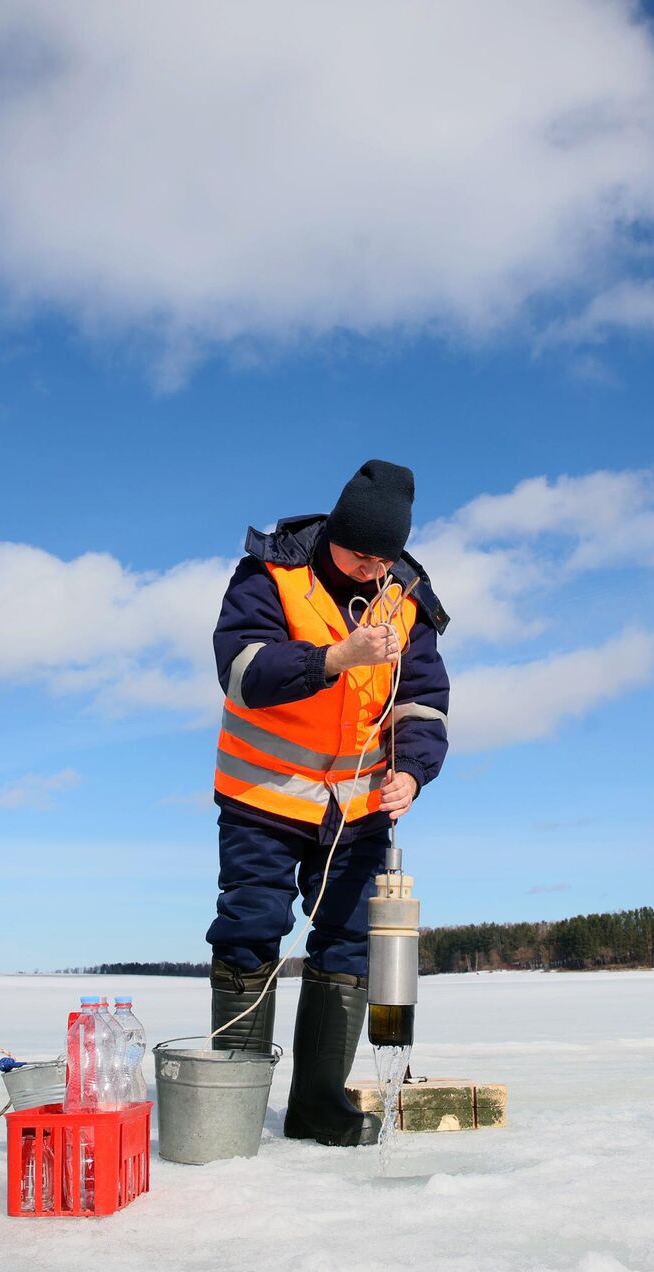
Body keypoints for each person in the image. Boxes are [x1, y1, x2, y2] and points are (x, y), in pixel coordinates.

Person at [205, 459, 451, 1146]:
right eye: (361, 553)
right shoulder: (270, 573)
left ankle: (317, 1105)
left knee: (347, 943)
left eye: (386, 557)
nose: (374, 569)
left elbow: (423, 703)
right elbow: (241, 673)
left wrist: (413, 773)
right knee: (252, 929)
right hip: (264, 796)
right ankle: (233, 1109)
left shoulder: (407, 597)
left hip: (358, 805)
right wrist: (334, 658)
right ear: (335, 533)